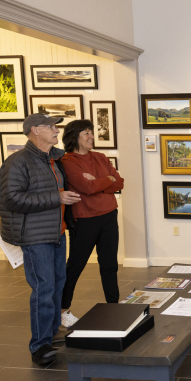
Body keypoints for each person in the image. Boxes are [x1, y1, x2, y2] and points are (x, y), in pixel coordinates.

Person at [0, 113, 81, 365]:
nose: (57, 130)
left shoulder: (53, 160)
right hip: (34, 236)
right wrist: (57, 197)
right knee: (44, 288)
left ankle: (52, 333)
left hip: (56, 232)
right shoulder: (18, 162)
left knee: (57, 284)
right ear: (35, 130)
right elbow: (12, 199)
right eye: (51, 126)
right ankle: (40, 346)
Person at [59, 120, 124, 328]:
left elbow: (120, 182)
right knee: (75, 266)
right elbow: (86, 187)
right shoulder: (68, 161)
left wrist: (99, 180)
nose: (91, 137)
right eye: (86, 133)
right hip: (85, 220)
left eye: (91, 133)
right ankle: (62, 310)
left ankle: (113, 306)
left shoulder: (100, 157)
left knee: (109, 265)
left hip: (109, 217)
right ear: (74, 136)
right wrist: (107, 180)